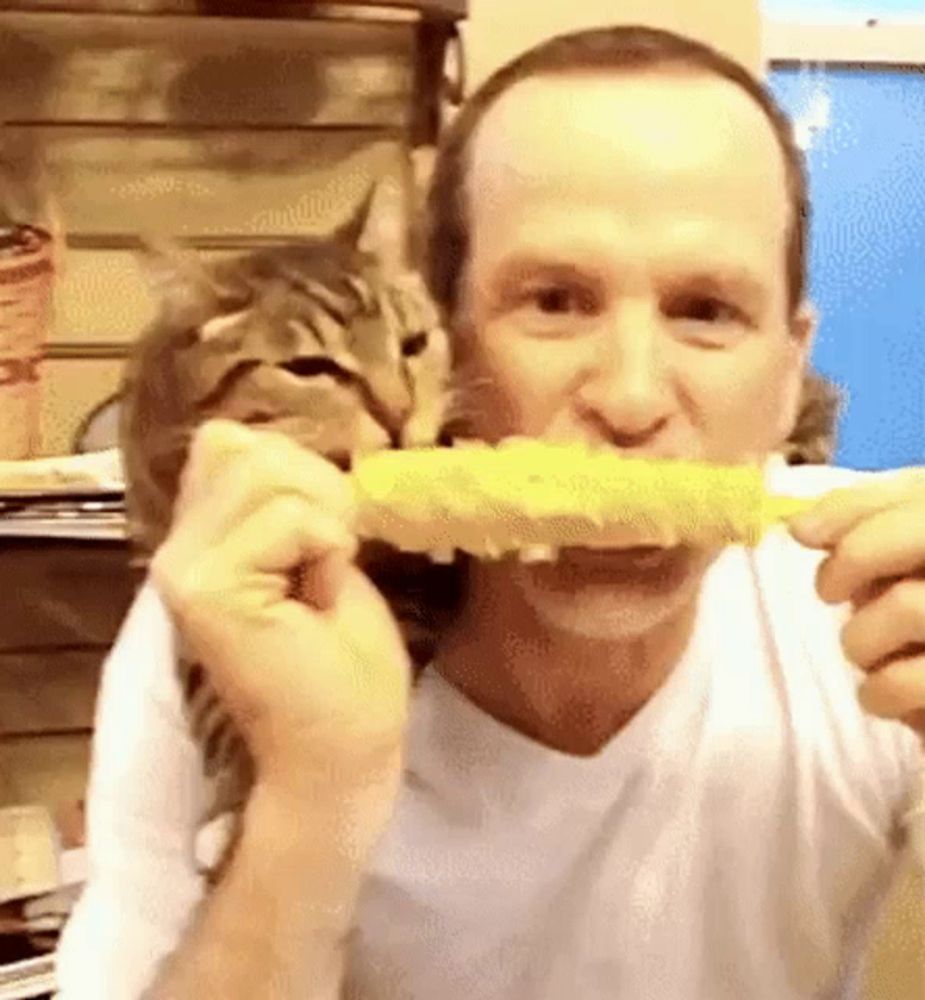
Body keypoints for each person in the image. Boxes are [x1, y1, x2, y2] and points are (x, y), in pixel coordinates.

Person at [55, 25, 925, 1000]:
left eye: (707, 311)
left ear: (785, 373)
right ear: (440, 335)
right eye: (553, 300)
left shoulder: (868, 610)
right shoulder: (245, 618)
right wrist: (309, 804)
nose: (632, 399)